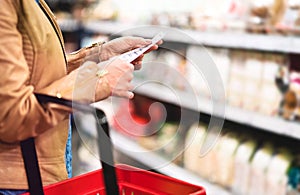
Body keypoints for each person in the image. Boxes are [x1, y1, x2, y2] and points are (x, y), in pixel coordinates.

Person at [0, 0, 162, 194]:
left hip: (38, 169)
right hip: (19, 179)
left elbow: (35, 69)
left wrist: (100, 53)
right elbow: (12, 117)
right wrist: (98, 80)